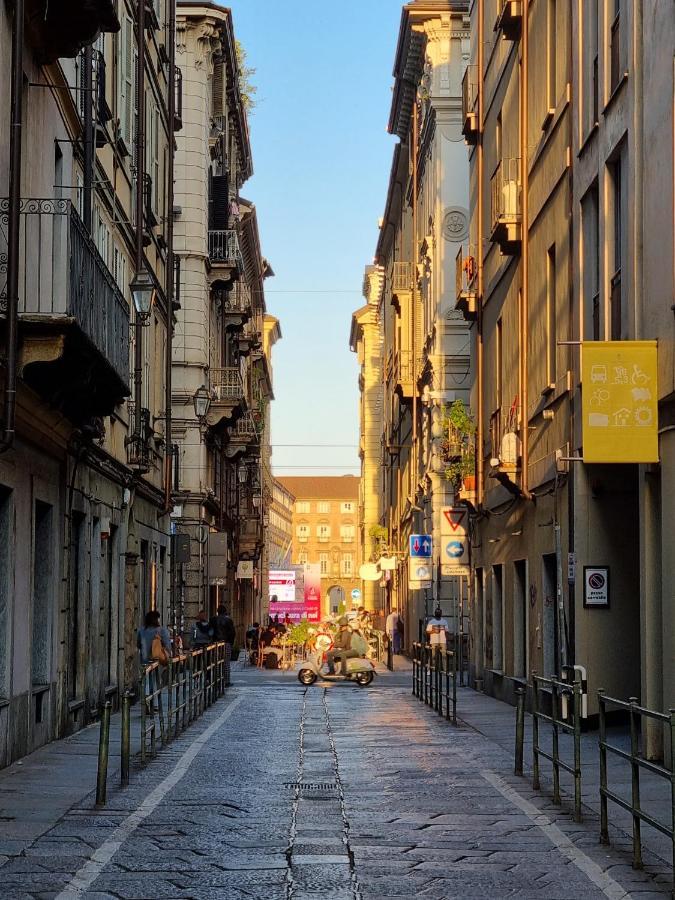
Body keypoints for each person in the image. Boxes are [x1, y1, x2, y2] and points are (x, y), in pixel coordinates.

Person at [210, 604, 236, 685]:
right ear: (225, 612)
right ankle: (226, 681)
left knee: (216, 663)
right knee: (226, 663)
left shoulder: (213, 619)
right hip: (226, 643)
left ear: (217, 611)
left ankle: (217, 681)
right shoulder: (229, 620)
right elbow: (233, 633)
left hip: (216, 644)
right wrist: (231, 643)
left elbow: (210, 632)